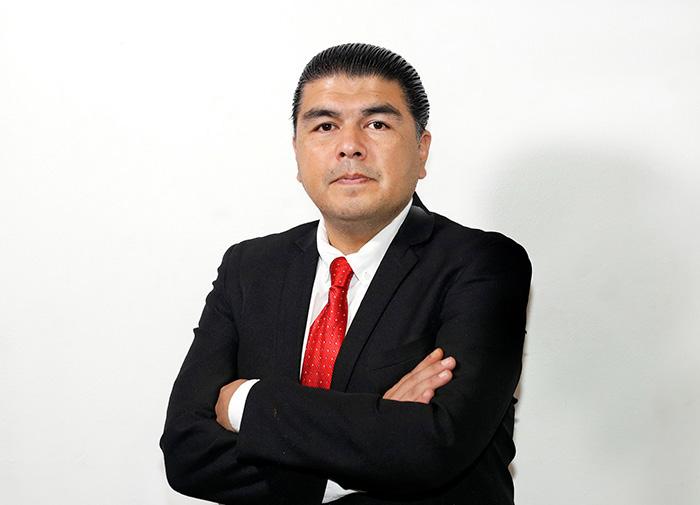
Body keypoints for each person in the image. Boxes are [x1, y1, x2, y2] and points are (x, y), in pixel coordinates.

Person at [160, 42, 532, 505]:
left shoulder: (483, 264)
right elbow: (186, 452)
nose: (350, 146)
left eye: (377, 124)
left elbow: (434, 446)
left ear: (422, 151)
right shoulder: (249, 267)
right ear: (297, 152)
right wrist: (373, 437)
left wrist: (245, 402)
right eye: (325, 126)